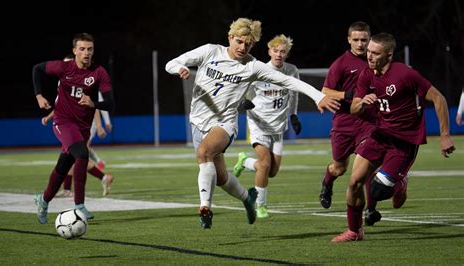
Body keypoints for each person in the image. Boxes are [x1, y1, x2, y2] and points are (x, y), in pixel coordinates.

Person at [165, 18, 340, 229]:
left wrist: (317, 96)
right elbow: (171, 63)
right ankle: (248, 197)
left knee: (204, 152)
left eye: (248, 44)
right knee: (220, 178)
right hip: (197, 123)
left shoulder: (253, 66)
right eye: (239, 41)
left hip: (224, 124)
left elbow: (289, 81)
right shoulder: (210, 52)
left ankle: (205, 208)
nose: (243, 47)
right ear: (230, 37)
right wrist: (179, 69)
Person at [332, 32, 455, 242]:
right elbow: (354, 109)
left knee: (379, 192)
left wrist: (445, 136)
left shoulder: (405, 74)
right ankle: (354, 231)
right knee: (354, 182)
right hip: (379, 135)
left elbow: (438, 98)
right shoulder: (367, 74)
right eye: (368, 51)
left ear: (389, 55)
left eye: (375, 53)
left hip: (404, 142)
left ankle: (400, 183)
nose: (369, 57)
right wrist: (361, 103)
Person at [33, 32, 115, 224]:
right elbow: (37, 69)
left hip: (82, 127)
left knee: (63, 167)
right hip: (62, 122)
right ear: (74, 51)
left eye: (90, 49)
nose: (86, 53)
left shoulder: (99, 72)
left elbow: (111, 104)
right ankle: (79, 205)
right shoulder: (64, 67)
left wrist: (93, 103)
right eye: (82, 49)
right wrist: (39, 95)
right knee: (82, 155)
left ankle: (43, 200)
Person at [232, 34, 302, 219]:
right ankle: (260, 205)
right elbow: (241, 89)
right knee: (264, 164)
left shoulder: (292, 70)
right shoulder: (259, 70)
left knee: (272, 171)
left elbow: (294, 94)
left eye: (283, 51)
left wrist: (293, 114)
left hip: (278, 127)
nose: (279, 54)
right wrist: (243, 102)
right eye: (276, 50)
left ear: (287, 54)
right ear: (269, 51)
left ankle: (245, 162)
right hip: (258, 124)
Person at [318, 21, 381, 225]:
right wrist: (350, 94)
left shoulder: (377, 61)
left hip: (369, 123)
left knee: (367, 167)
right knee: (339, 168)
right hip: (345, 123)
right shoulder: (341, 64)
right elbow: (326, 91)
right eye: (356, 40)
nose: (361, 44)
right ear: (349, 40)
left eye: (364, 40)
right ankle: (327, 183)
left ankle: (371, 209)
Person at [41, 109, 114, 197]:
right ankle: (67, 189)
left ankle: (103, 178)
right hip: (74, 123)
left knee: (77, 155)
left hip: (85, 123)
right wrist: (48, 117)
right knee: (73, 154)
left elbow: (94, 107)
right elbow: (60, 104)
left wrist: (99, 125)